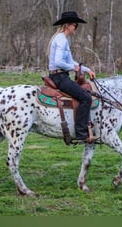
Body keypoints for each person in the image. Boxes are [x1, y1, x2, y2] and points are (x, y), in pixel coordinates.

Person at [47, 11, 98, 143]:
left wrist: (86, 70)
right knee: (86, 97)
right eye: (75, 25)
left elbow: (70, 61)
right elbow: (59, 62)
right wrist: (73, 68)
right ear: (68, 25)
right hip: (59, 77)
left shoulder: (62, 39)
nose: (76, 28)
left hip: (60, 75)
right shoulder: (61, 40)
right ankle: (81, 133)